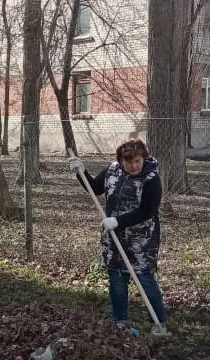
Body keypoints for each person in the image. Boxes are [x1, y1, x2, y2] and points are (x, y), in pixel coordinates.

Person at [69, 139, 169, 334]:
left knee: (144, 279)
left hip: (142, 240)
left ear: (144, 158)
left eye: (138, 161)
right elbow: (95, 188)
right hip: (114, 238)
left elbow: (147, 211)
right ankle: (120, 320)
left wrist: (117, 221)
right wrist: (80, 172)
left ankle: (159, 322)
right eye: (129, 162)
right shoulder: (113, 170)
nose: (133, 166)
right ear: (121, 160)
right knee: (117, 278)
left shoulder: (151, 178)